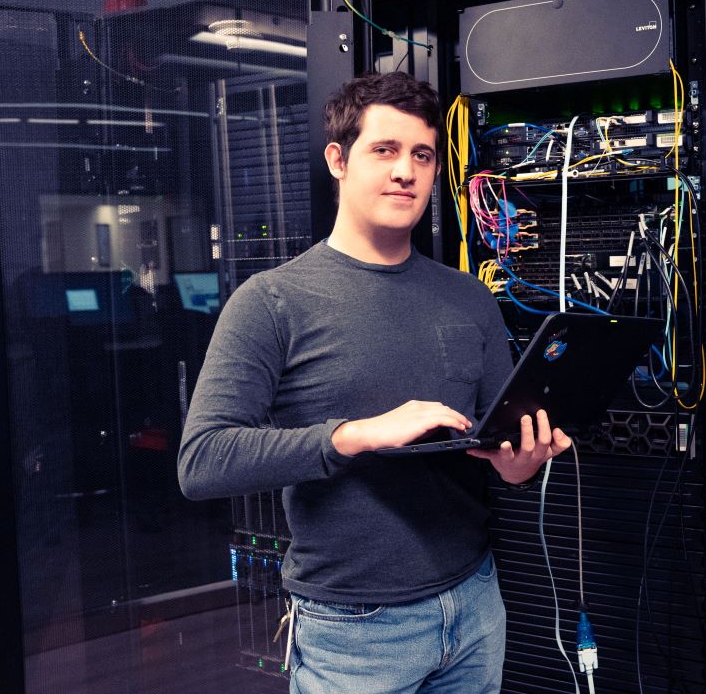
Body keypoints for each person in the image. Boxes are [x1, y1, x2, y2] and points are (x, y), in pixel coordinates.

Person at [177, 71, 571, 693]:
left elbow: (499, 448)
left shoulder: (469, 297)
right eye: (384, 151)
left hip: (473, 605)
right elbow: (203, 462)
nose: (405, 172)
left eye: (422, 155)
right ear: (337, 159)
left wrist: (521, 462)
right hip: (352, 630)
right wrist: (358, 435)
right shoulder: (273, 301)